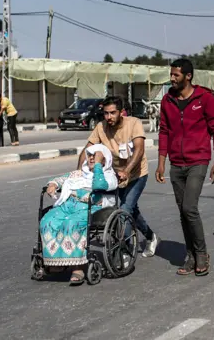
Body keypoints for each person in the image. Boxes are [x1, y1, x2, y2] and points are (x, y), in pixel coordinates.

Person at [156, 58, 214, 276]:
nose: (172, 78)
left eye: (176, 75)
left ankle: (202, 254)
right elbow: (164, 131)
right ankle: (191, 255)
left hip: (198, 161)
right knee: (182, 212)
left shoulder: (205, 98)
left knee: (189, 208)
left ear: (188, 76)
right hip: (176, 163)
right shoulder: (167, 100)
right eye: (171, 74)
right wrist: (161, 163)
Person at [79, 96, 160, 257]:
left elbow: (139, 149)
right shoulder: (101, 127)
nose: (109, 117)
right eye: (106, 113)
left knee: (125, 209)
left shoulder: (134, 123)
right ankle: (151, 237)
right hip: (115, 176)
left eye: (113, 113)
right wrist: (78, 173)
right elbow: (87, 150)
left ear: (121, 112)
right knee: (131, 209)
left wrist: (127, 171)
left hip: (136, 173)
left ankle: (124, 251)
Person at [39, 145, 118, 285]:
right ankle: (56, 262)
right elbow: (61, 179)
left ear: (105, 158)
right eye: (90, 155)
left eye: (96, 155)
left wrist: (98, 165)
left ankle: (78, 268)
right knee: (47, 221)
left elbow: (99, 186)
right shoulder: (80, 173)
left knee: (72, 224)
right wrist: (53, 184)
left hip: (90, 207)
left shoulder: (109, 176)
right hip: (68, 205)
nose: (92, 158)